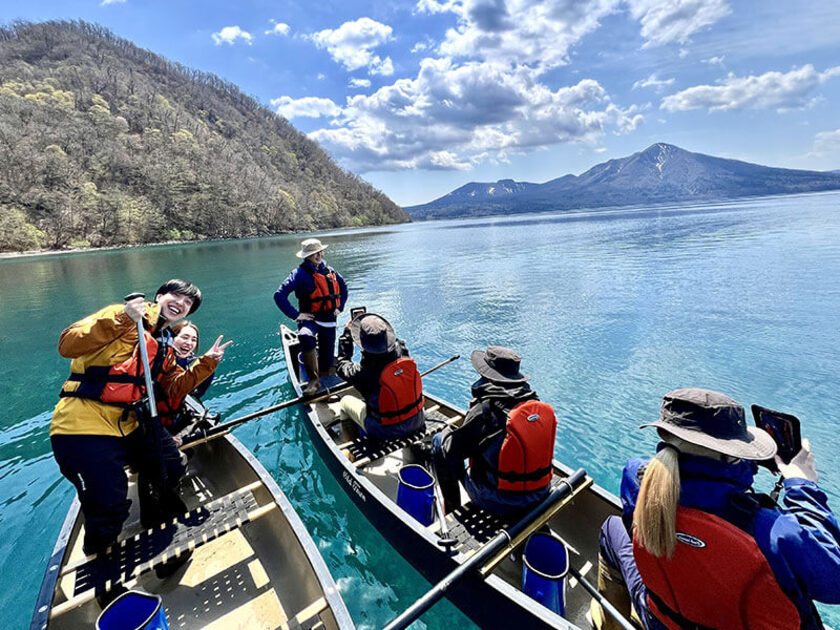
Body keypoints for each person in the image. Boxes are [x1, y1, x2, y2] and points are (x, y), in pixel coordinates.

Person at [596, 388, 840, 630]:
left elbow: (690, 487)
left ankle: (607, 624)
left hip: (665, 621)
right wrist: (802, 484)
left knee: (611, 528)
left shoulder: (635, 480)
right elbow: (834, 583)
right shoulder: (771, 530)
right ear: (731, 456)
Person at [50, 280, 232, 598]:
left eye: (188, 304)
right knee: (108, 504)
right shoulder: (122, 317)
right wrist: (121, 317)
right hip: (83, 425)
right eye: (176, 297)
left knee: (171, 464)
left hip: (130, 423)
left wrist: (206, 364)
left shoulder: (164, 343)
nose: (181, 305)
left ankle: (156, 526)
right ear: (160, 296)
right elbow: (68, 344)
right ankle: (105, 580)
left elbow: (175, 389)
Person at [431, 346, 557, 517]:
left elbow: (453, 451)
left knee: (439, 442)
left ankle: (452, 509)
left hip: (499, 503)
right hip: (541, 493)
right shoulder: (533, 403)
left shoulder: (485, 409)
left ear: (487, 374)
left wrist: (448, 432)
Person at [274, 238, 348, 396]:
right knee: (305, 336)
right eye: (314, 253)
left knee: (327, 358)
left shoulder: (330, 271)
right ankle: (314, 382)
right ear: (306, 256)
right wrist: (296, 315)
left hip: (328, 321)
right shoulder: (299, 274)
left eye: (320, 252)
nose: (318, 255)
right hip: (311, 320)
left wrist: (339, 308)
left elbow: (344, 289)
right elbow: (279, 295)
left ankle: (327, 380)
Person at [334, 313, 425, 441]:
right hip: (418, 418)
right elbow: (396, 344)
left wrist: (346, 336)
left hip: (385, 430)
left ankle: (352, 447)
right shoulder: (403, 352)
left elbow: (341, 366)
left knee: (344, 402)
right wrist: (377, 331)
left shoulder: (363, 373)